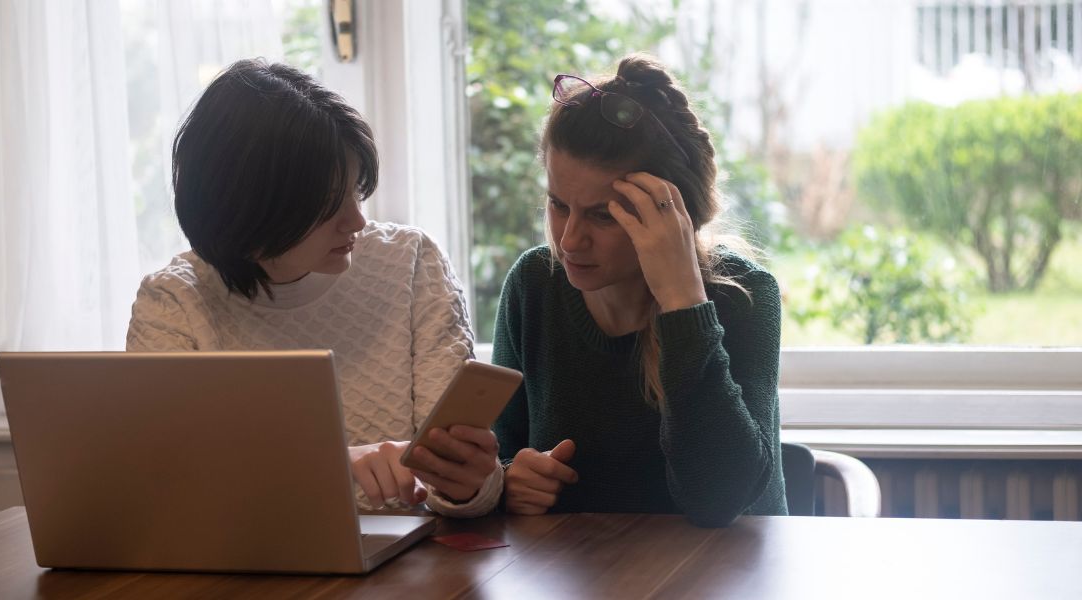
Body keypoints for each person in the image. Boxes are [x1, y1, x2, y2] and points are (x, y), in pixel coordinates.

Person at [126, 59, 501, 517]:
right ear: (251, 207)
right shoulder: (174, 303)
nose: (358, 221)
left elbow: (467, 485)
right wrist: (337, 464)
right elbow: (172, 486)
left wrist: (468, 485)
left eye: (356, 193)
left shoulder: (409, 262)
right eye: (329, 204)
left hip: (409, 571)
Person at [493, 53, 786, 526]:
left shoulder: (744, 296)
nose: (569, 240)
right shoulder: (534, 286)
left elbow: (718, 499)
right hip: (573, 576)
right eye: (558, 204)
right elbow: (497, 454)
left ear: (673, 212)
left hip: (719, 580)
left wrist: (683, 303)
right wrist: (509, 479)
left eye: (603, 215)